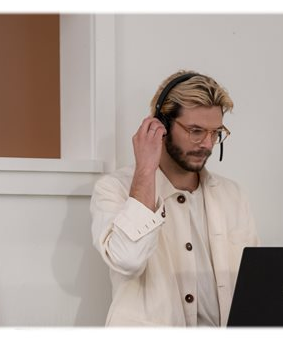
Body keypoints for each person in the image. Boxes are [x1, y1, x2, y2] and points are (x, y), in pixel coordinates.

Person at [90, 70, 259, 326]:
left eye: (215, 132)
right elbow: (127, 260)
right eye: (195, 131)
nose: (207, 144)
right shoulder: (113, 189)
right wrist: (145, 169)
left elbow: (254, 283)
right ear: (162, 125)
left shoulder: (233, 195)